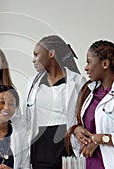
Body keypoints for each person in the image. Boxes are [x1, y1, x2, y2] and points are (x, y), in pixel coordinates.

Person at [65, 40, 114, 169]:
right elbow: (78, 121)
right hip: (88, 163)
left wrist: (101, 139)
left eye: (89, 62)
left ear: (105, 63)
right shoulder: (88, 92)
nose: (85, 67)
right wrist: (76, 130)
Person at [24, 35, 86, 169]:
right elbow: (26, 117)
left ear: (51, 53)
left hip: (66, 146)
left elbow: (85, 117)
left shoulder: (78, 82)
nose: (33, 60)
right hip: (40, 147)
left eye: (36, 54)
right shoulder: (32, 83)